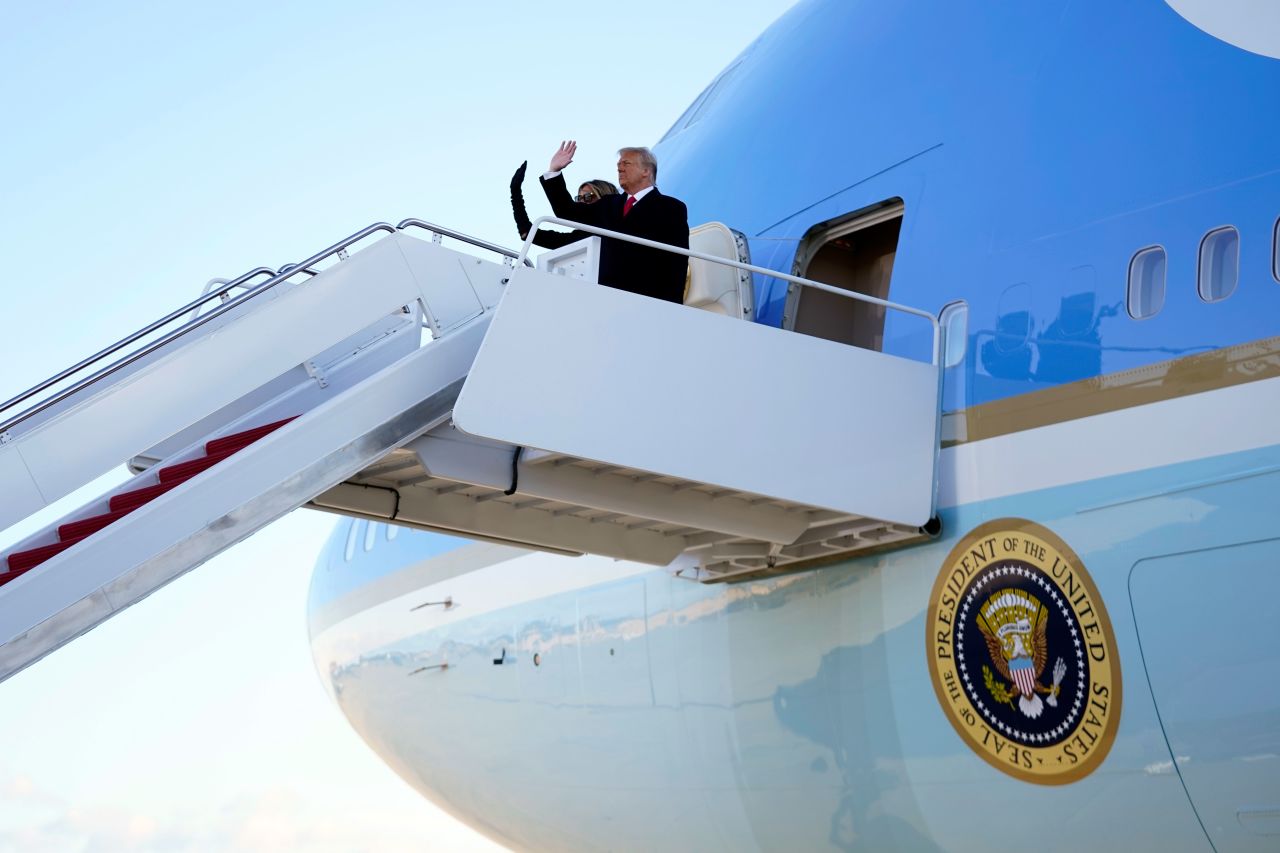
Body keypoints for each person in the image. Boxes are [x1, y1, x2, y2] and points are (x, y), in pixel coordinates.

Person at [538, 140, 689, 304]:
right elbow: (567, 212)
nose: (619, 168)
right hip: (603, 296)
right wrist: (554, 171)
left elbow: (677, 261)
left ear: (646, 171)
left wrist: (671, 304)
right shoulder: (608, 203)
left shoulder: (671, 208)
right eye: (618, 164)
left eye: (626, 163)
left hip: (647, 299)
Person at [509, 160, 617, 249]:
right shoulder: (578, 238)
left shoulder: (614, 212)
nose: (581, 202)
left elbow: (567, 210)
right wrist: (515, 193)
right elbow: (527, 233)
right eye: (578, 198)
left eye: (588, 197)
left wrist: (554, 172)